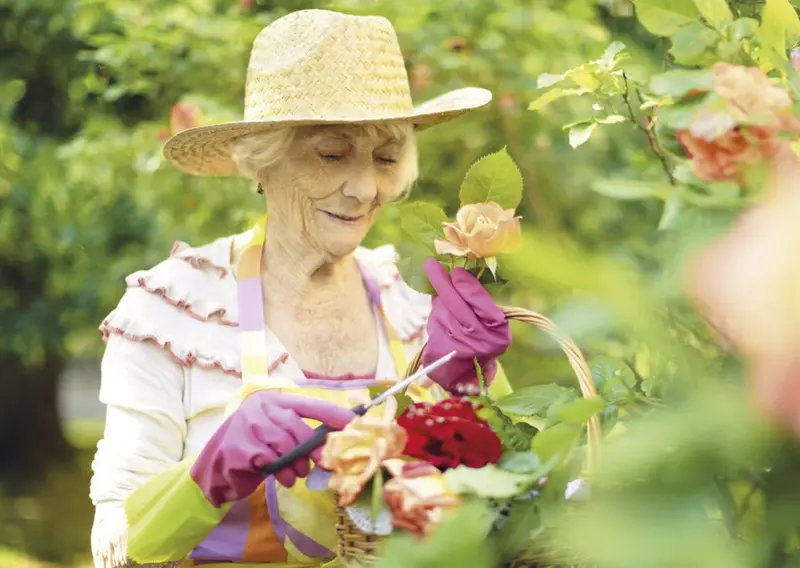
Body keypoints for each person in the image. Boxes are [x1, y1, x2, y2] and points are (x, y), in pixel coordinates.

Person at [89, 9, 513, 568]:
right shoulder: (172, 311)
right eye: (332, 153)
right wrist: (204, 478)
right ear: (263, 158)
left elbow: (512, 506)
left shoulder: (412, 311)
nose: (364, 189)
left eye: (385, 158)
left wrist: (466, 397)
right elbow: (111, 549)